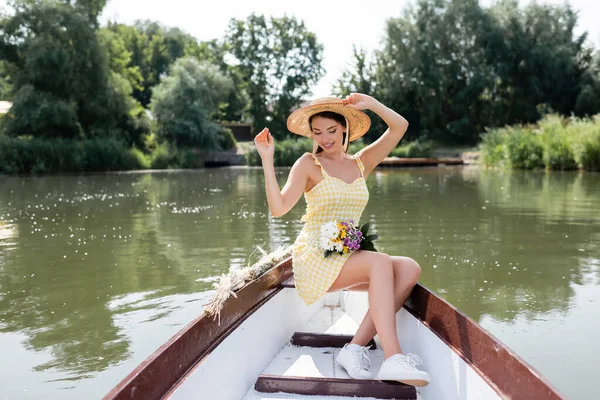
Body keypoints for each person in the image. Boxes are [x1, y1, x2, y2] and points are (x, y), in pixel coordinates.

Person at [254, 93, 430, 386]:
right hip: (314, 256)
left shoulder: (361, 163)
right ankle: (393, 358)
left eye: (332, 130)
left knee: (409, 268)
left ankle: (354, 348)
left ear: (345, 128)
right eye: (318, 132)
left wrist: (372, 104)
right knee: (380, 263)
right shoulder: (309, 163)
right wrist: (267, 160)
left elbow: (399, 126)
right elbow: (279, 208)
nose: (325, 138)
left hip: (347, 254)